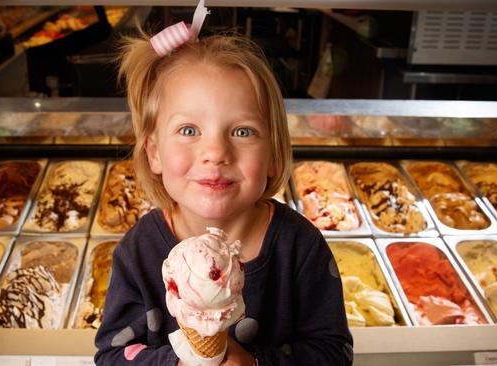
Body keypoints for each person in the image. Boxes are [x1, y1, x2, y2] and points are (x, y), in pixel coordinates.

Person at [94, 4, 353, 365]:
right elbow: (112, 355)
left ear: (274, 154)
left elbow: (334, 353)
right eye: (189, 130)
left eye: (242, 131)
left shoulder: (301, 248)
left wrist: (256, 363)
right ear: (154, 152)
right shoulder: (137, 253)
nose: (215, 152)